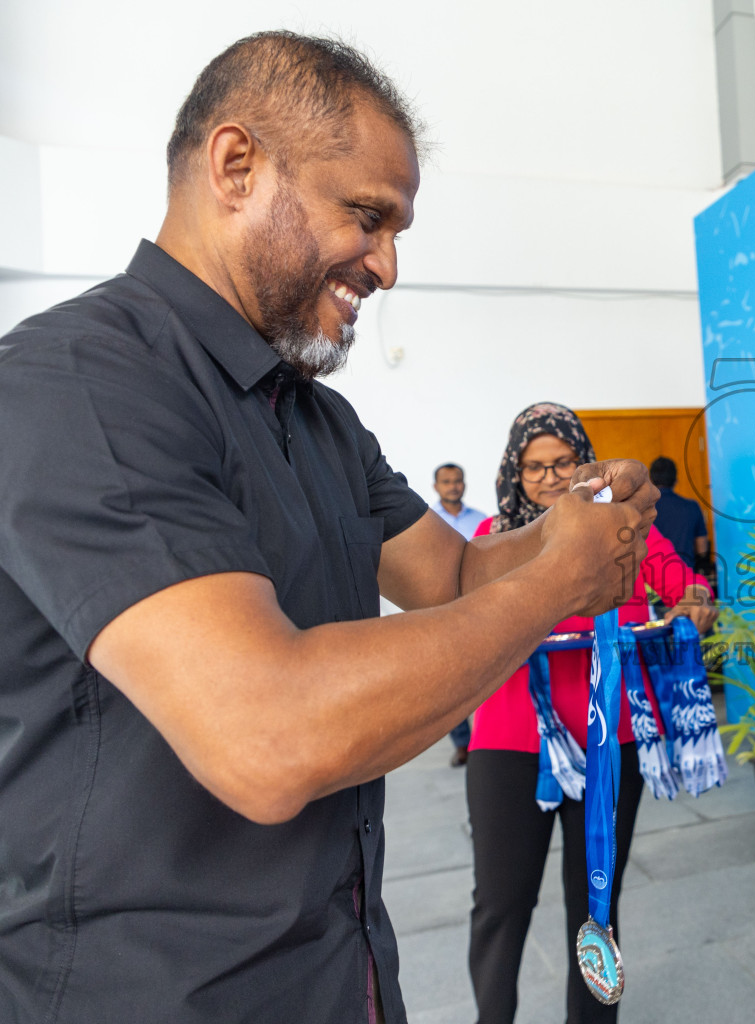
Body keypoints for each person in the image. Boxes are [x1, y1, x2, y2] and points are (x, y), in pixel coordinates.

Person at [0, 32, 656, 1024]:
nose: (388, 265)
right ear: (237, 165)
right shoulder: (81, 383)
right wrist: (559, 583)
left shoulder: (317, 418)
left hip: (338, 971)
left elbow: (459, 576)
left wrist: (576, 529)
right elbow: (267, 735)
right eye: (366, 216)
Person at [467, 403, 716, 1024]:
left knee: (596, 905)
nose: (550, 478)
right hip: (512, 740)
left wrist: (693, 602)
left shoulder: (625, 529)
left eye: (564, 463)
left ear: (587, 464)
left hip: (611, 737)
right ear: (514, 472)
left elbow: (686, 584)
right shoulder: (491, 541)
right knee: (501, 902)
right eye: (535, 466)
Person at [431, 462, 489, 764]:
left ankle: (486, 737)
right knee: (451, 678)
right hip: (443, 610)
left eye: (458, 481)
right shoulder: (425, 523)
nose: (453, 486)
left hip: (479, 608)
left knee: (486, 672)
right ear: (436, 486)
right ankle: (463, 744)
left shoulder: (483, 521)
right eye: (447, 481)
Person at [649, 455, 711, 572]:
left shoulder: (643, 509)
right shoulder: (692, 507)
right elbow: (702, 549)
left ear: (651, 480)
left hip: (652, 579)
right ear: (675, 479)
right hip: (684, 577)